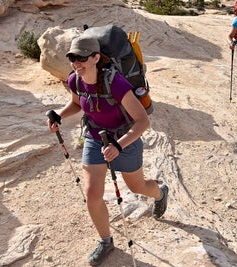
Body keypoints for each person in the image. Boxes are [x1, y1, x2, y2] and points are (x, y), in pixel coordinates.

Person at [47, 35, 168, 266]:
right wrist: (58, 115)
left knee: (137, 186)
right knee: (92, 193)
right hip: (95, 139)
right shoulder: (75, 80)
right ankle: (105, 240)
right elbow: (76, 103)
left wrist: (119, 145)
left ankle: (161, 193)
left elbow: (142, 122)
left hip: (125, 139)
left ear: (95, 58)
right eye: (72, 57)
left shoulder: (116, 83)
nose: (76, 63)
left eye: (81, 58)